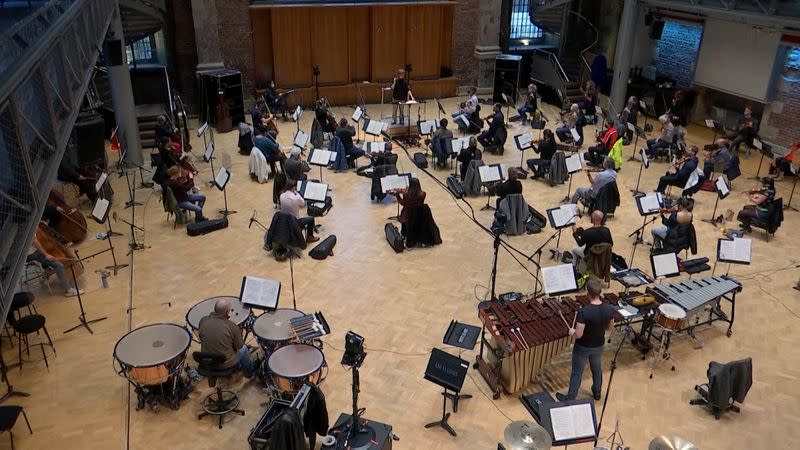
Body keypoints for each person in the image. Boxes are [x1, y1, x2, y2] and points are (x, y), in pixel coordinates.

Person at [556, 277, 616, 401]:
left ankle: (571, 398)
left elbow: (579, 335)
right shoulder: (609, 309)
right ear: (600, 292)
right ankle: (597, 393)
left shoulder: (584, 312)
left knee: (577, 372)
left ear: (588, 293)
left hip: (582, 347)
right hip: (598, 345)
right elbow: (610, 328)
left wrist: (572, 332)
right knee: (596, 369)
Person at [198, 298, 257, 378]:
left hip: (205, 361)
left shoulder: (203, 320)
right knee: (244, 349)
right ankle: (249, 372)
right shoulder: (231, 326)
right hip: (224, 364)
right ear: (227, 312)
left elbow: (201, 337)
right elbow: (239, 346)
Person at [26, 226, 82, 297]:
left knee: (45, 253)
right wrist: (46, 255)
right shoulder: (29, 228)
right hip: (31, 254)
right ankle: (69, 290)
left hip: (25, 254)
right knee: (58, 266)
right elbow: (35, 242)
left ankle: (46, 268)